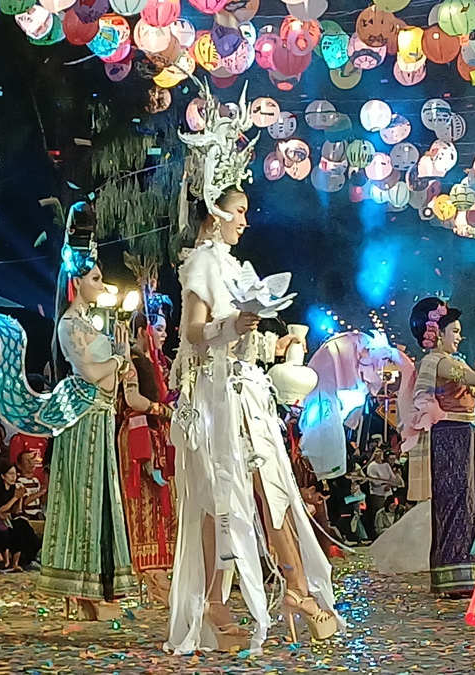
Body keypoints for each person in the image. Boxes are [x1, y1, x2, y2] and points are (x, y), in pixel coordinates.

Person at [167, 98, 338, 652]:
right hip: (216, 396)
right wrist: (232, 324)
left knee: (270, 486)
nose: (245, 219)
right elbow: (193, 332)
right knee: (222, 497)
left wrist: (271, 340)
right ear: (214, 211)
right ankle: (229, 599)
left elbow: (235, 335)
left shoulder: (235, 265)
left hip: (244, 390)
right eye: (238, 210)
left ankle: (291, 587)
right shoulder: (201, 263)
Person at [36, 204, 138, 621]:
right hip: (82, 425)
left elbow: (110, 374)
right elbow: (93, 373)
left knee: (100, 501)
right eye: (95, 278)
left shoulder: (89, 325)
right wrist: (119, 359)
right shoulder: (69, 325)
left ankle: (93, 592)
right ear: (77, 282)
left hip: (101, 419)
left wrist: (119, 358)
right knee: (82, 501)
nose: (101, 284)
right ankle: (77, 592)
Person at [399, 298, 475, 598]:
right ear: (437, 333)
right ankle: (455, 574)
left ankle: (465, 573)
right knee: (455, 504)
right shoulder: (436, 361)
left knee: (467, 503)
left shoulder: (452, 362)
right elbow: (472, 379)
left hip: (462, 437)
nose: (459, 336)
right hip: (449, 436)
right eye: (455, 331)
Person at [118, 310, 177, 606]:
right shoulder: (131, 358)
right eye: (159, 328)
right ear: (143, 330)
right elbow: (133, 399)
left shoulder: (159, 361)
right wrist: (163, 411)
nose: (164, 334)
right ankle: (152, 573)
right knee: (144, 503)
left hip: (158, 433)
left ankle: (161, 570)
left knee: (163, 503)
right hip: (139, 434)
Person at [0, 459, 42, 570]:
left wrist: (20, 498)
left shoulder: (15, 488)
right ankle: (19, 561)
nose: (13, 477)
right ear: (3, 476)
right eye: (10, 474)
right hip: (1, 521)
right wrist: (15, 497)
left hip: (13, 519)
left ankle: (30, 557)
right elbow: (0, 511)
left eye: (15, 474)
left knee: (22, 524)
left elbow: (18, 510)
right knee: (19, 526)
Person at [14, 449, 46, 521]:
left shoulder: (36, 480)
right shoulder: (19, 482)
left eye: (32, 459)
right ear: (19, 465)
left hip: (39, 513)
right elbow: (25, 501)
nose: (31, 463)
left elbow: (42, 501)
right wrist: (40, 492)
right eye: (27, 461)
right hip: (27, 514)